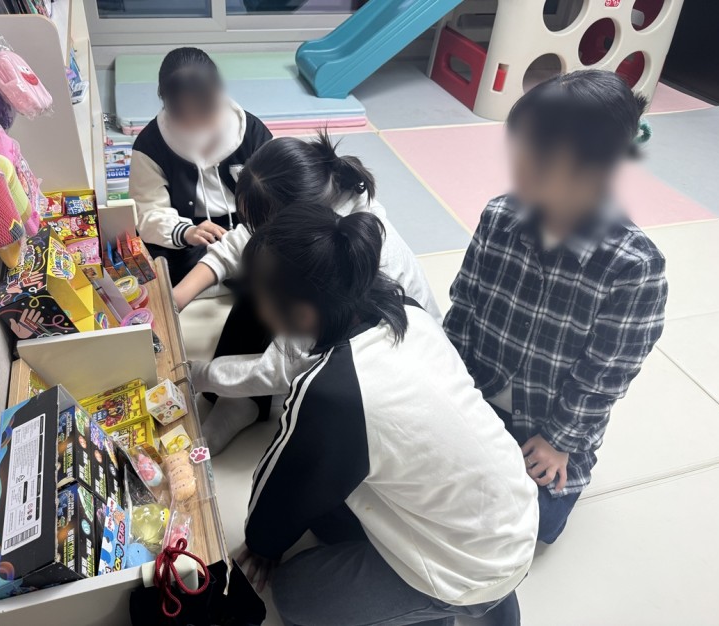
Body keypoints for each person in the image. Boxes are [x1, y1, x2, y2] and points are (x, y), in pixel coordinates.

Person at [237, 205, 538, 626]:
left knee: (292, 594)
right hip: (515, 514)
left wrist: (261, 545)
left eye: (261, 299)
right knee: (330, 500)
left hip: (469, 570)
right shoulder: (408, 312)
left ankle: (445, 606)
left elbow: (277, 496)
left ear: (301, 314)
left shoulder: (331, 391)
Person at [444, 70, 668, 544]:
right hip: (475, 395)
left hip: (547, 424)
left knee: (537, 524)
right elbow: (463, 307)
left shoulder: (634, 266)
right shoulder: (499, 216)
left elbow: (605, 375)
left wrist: (558, 441)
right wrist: (450, 392)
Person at [176, 132, 440, 455]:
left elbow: (283, 367)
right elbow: (244, 238)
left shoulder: (340, 261)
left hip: (394, 367)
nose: (255, 230)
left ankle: (242, 402)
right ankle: (241, 402)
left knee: (271, 288)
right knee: (259, 272)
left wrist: (197, 375)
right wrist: (179, 295)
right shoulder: (318, 191)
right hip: (338, 306)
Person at [129, 47, 272, 284]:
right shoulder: (150, 144)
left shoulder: (250, 131)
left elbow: (280, 189)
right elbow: (148, 209)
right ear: (166, 105)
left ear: (219, 94)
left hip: (248, 227)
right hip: (190, 232)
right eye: (185, 117)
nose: (198, 125)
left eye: (206, 113)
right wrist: (186, 232)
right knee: (157, 268)